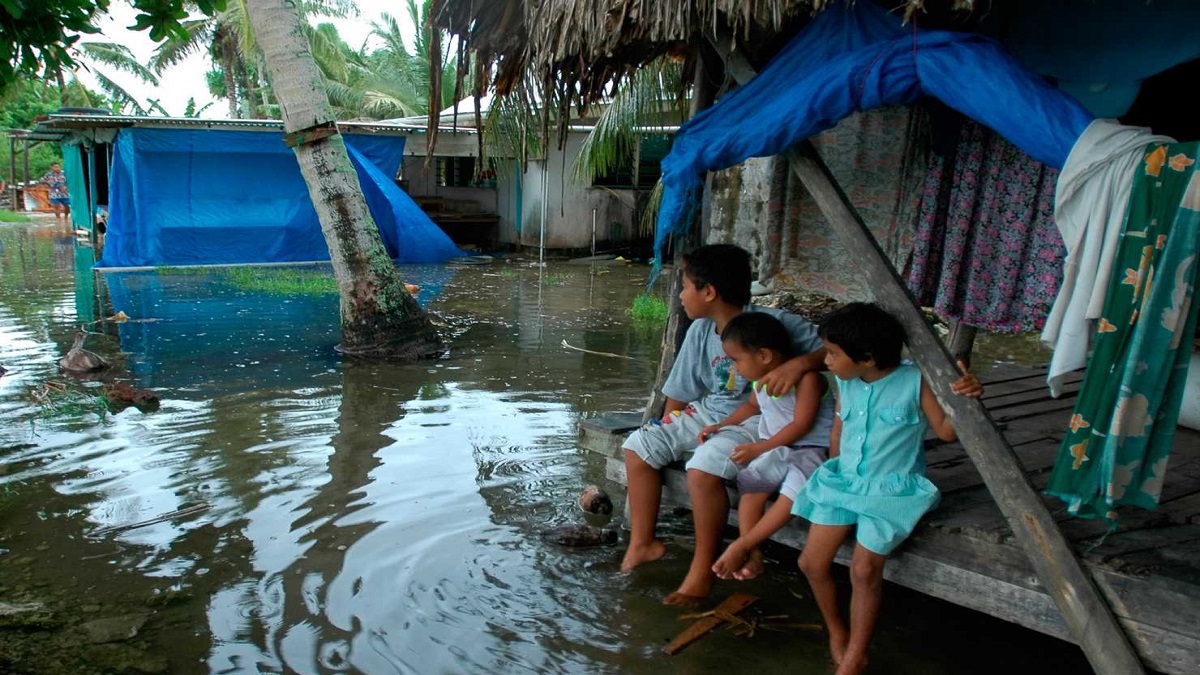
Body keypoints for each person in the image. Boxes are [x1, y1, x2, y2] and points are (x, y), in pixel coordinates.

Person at [620, 243, 827, 607]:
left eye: (684, 286)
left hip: (758, 419)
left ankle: (702, 571)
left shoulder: (776, 324)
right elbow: (680, 392)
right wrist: (667, 433)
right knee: (638, 446)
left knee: (702, 469)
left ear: (709, 291)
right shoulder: (699, 331)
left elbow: (834, 348)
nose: (681, 295)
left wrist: (800, 364)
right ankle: (643, 543)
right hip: (710, 413)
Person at [793, 303, 982, 674]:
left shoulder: (916, 381)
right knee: (810, 563)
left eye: (833, 353)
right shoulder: (846, 381)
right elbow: (838, 431)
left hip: (891, 491)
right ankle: (837, 632)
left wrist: (967, 395)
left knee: (864, 570)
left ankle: (856, 655)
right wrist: (834, 468)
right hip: (844, 481)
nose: (826, 360)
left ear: (866, 357)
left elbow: (945, 431)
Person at [699, 311, 834, 582]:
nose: (734, 368)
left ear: (764, 356)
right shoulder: (759, 381)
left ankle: (745, 545)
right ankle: (754, 553)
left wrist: (759, 449)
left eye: (737, 360)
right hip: (777, 449)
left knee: (791, 495)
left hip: (810, 449)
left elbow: (801, 426)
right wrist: (721, 426)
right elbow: (750, 407)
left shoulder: (808, 379)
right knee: (750, 489)